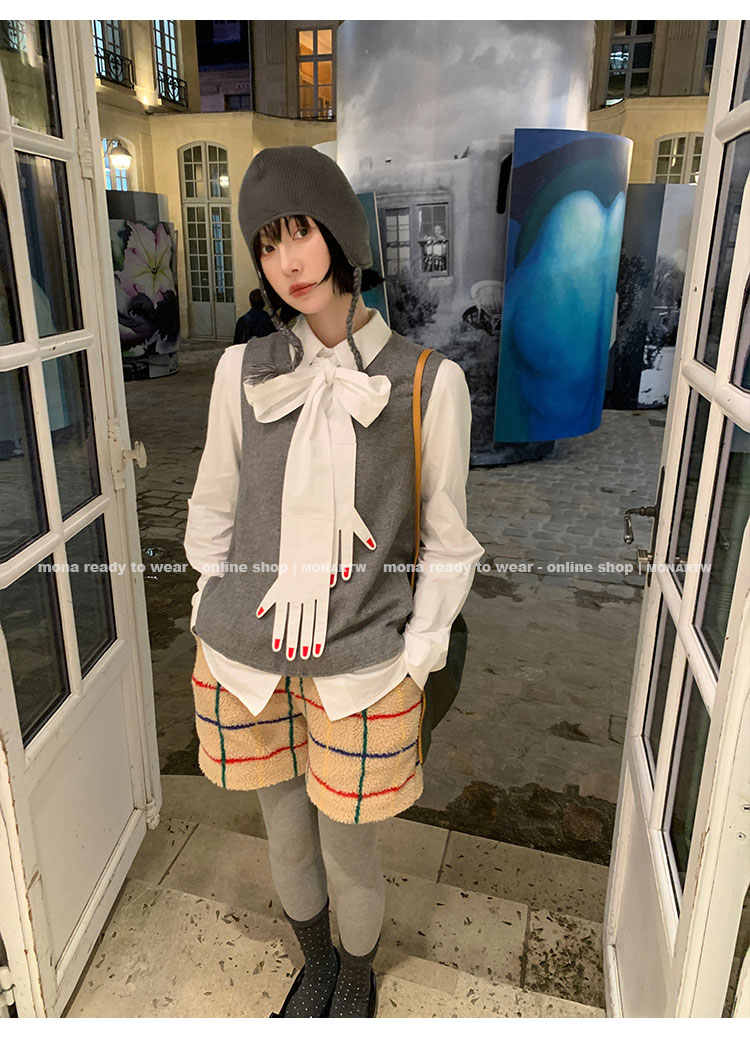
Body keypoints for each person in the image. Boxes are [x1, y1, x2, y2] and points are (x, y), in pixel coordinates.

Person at [183, 145, 483, 1018]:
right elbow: (214, 505)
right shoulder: (241, 371)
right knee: (283, 831)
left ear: (341, 233)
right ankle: (314, 964)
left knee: (350, 847)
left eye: (301, 232)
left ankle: (355, 972)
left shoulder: (430, 382)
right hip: (247, 656)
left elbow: (448, 542)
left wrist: (417, 657)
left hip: (363, 663)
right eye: (267, 243)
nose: (288, 260)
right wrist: (209, 601)